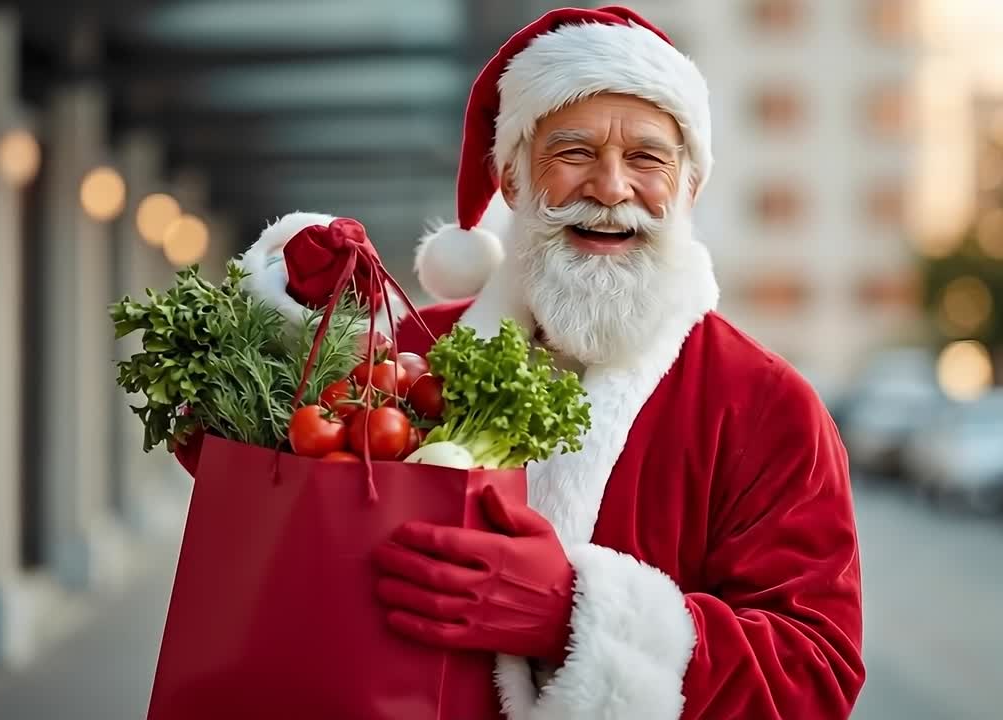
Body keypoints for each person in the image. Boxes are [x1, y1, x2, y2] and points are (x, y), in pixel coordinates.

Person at [365, 6, 867, 719]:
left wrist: (575, 616)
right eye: (572, 153)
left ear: (689, 188)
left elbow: (813, 677)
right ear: (511, 180)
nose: (610, 187)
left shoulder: (766, 404)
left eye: (647, 159)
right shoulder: (411, 357)